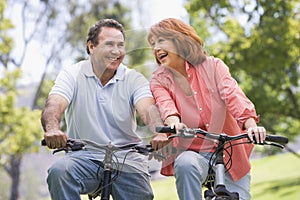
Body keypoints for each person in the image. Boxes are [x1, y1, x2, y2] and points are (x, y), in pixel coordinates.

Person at [41, 18, 163, 200]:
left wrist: (159, 131)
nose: (116, 51)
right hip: (84, 157)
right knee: (60, 172)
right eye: (109, 44)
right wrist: (52, 129)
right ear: (91, 46)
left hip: (126, 159)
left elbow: (147, 108)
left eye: (120, 45)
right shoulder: (72, 74)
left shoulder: (133, 78)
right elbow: (54, 104)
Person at [148, 18, 267, 200]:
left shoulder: (213, 66)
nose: (156, 48)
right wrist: (174, 124)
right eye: (153, 44)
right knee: (185, 164)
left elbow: (234, 96)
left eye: (161, 41)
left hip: (230, 152)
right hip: (194, 152)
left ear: (179, 40)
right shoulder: (159, 80)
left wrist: (251, 126)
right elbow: (166, 107)